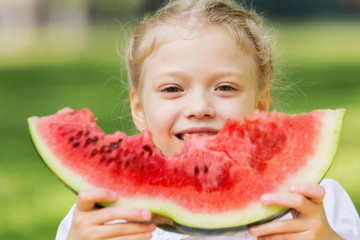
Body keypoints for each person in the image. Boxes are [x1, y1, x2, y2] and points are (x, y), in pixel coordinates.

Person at [56, 0, 360, 239]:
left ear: (261, 104)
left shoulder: (313, 202)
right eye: (172, 89)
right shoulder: (103, 214)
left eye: (225, 87)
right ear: (138, 108)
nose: (200, 107)